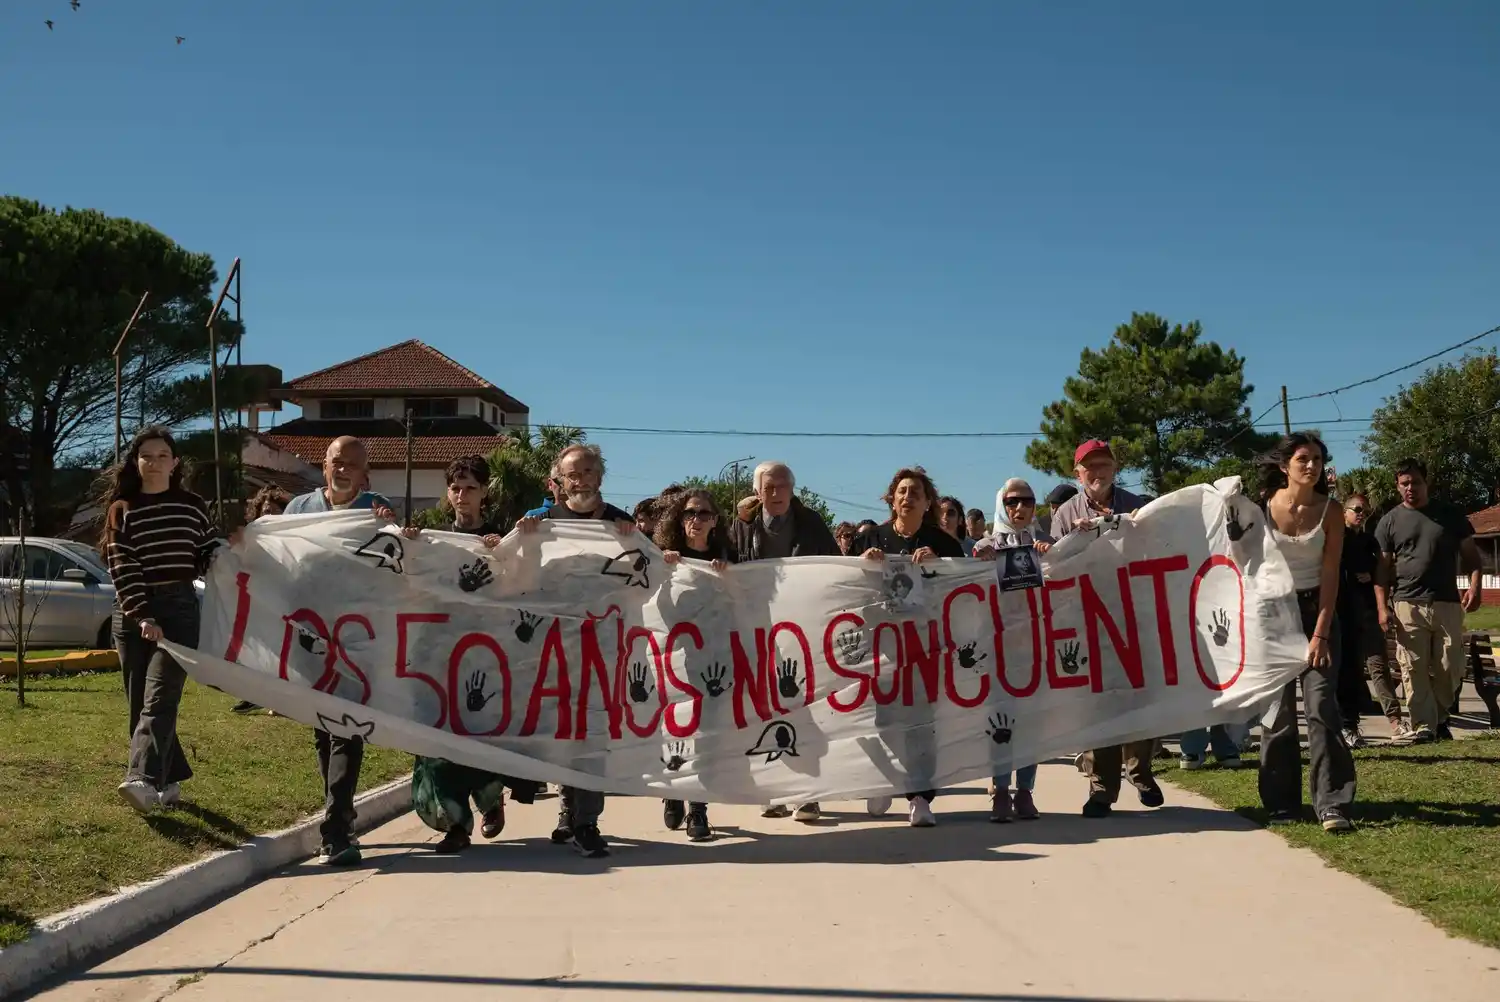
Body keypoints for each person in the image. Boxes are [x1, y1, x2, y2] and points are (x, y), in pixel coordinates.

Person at [400, 456, 540, 853]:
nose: (462, 495)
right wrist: (411, 548)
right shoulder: (433, 541)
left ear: (485, 492)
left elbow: (524, 587)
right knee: (440, 741)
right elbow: (412, 585)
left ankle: (490, 798)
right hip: (440, 655)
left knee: (485, 733)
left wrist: (511, 552)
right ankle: (456, 827)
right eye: (456, 488)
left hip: (488, 658)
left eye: (471, 488)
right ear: (448, 493)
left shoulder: (501, 540)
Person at [517, 443, 636, 858]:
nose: (581, 480)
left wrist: (641, 544)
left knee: (594, 731)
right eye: (573, 474)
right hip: (552, 647)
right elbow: (512, 571)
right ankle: (568, 809)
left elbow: (647, 573)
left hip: (603, 646)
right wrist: (517, 541)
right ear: (559, 481)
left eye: (588, 472)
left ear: (600, 477)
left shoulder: (621, 524)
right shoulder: (539, 521)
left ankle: (588, 822)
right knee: (564, 731)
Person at [284, 436, 398, 866]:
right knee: (322, 727)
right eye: (336, 462)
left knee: (346, 726)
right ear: (324, 465)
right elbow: (280, 558)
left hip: (356, 636)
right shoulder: (299, 510)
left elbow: (393, 560)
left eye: (352, 464)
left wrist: (392, 526)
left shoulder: (376, 507)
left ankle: (334, 830)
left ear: (365, 471)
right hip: (308, 633)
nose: (343, 469)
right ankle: (343, 814)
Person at [103, 426, 223, 814]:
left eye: (162, 456)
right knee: (140, 703)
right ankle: (169, 779)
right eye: (146, 456)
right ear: (135, 463)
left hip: (180, 609)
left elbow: (205, 552)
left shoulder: (191, 505)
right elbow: (122, 566)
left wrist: (227, 552)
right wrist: (142, 615)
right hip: (133, 611)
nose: (154, 463)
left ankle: (142, 779)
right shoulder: (122, 509)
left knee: (160, 698)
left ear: (175, 463)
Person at [1048, 440, 1162, 818]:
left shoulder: (1136, 506)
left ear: (1115, 469)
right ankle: (1102, 789)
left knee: (1140, 698)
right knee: (1098, 705)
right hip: (1088, 619)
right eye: (1089, 467)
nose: (1097, 473)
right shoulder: (1066, 513)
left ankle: (1140, 771)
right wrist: (1074, 540)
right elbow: (1055, 565)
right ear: (1077, 473)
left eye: (1104, 465)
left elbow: (1156, 550)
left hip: (1134, 616)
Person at [850, 466, 965, 826]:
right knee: (883, 718)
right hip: (883, 646)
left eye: (915, 491)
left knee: (922, 722)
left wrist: (941, 567)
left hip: (926, 646)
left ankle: (920, 797)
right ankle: (885, 780)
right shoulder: (872, 537)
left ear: (927, 501)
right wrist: (861, 565)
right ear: (891, 498)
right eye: (901, 491)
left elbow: (963, 587)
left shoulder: (943, 543)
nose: (907, 497)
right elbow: (848, 588)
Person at [727, 461, 839, 823]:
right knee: (763, 710)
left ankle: (808, 796)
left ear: (793, 489)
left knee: (808, 712)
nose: (775, 494)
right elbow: (725, 565)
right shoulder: (742, 527)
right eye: (768, 488)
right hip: (758, 632)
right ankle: (772, 790)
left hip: (805, 632)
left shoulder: (813, 525)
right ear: (757, 492)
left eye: (782, 487)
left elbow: (835, 568)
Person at [1258, 433, 1357, 832]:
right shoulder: (1262, 508)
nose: (1311, 466)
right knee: (1278, 713)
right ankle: (1281, 802)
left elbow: (1332, 572)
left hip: (1318, 610)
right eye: (1303, 459)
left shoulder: (1331, 511)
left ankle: (1332, 803)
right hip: (1273, 614)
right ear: (1285, 466)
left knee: (1321, 707)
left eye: (1317, 459)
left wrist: (1320, 633)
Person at [1374, 458, 1484, 742]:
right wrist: (1381, 608)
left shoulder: (1450, 515)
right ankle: (1425, 726)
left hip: (1447, 601)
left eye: (1416, 482)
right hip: (1406, 604)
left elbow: (1472, 558)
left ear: (1426, 482)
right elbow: (1382, 570)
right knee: (1413, 667)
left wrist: (1475, 587)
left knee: (1450, 666)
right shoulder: (1390, 521)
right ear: (1398, 487)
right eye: (1405, 483)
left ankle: (1439, 717)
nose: (1411, 488)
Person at [653, 488, 737, 842]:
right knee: (674, 731)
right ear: (679, 518)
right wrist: (663, 571)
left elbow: (743, 603)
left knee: (706, 735)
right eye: (690, 513)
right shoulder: (665, 558)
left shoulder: (728, 557)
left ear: (715, 521)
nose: (696, 520)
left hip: (713, 661)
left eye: (704, 514)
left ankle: (698, 809)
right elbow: (648, 604)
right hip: (674, 659)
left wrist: (730, 575)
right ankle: (673, 788)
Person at [972, 478, 1049, 821]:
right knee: (1001, 722)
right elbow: (961, 582)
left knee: (1031, 723)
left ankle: (1026, 791)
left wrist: (1054, 556)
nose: (1020, 508)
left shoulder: (1045, 544)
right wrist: (977, 559)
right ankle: (1000, 791)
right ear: (1002, 504)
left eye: (1027, 501)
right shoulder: (985, 545)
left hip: (1035, 648)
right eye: (1012, 501)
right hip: (998, 650)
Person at [1340, 493, 1410, 745]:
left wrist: (1372, 577)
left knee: (1379, 667)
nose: (1360, 514)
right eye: (1356, 509)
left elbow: (1384, 570)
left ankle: (1395, 722)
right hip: (1343, 614)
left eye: (1364, 511)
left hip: (1368, 613)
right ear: (1344, 512)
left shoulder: (1370, 542)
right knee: (1348, 672)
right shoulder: (1335, 539)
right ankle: (1349, 727)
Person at [229, 486, 294, 715]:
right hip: (258, 601)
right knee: (259, 650)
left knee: (284, 652)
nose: (269, 516)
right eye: (265, 511)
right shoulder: (251, 537)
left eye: (275, 511)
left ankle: (282, 701)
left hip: (285, 602)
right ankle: (255, 695)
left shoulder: (293, 538)